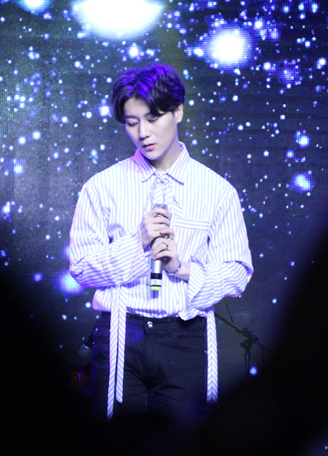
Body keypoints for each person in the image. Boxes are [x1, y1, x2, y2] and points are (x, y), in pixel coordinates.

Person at [68, 64, 254, 426]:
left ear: (178, 111)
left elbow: (237, 273)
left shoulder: (217, 191)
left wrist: (182, 269)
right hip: (121, 334)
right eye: (131, 122)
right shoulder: (101, 187)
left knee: (184, 443)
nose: (143, 133)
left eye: (153, 119)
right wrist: (137, 243)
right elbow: (81, 268)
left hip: (185, 337)